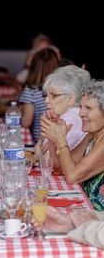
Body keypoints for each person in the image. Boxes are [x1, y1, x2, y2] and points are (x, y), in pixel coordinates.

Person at [41, 80, 104, 211]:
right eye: (81, 107)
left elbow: (72, 176)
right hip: (86, 210)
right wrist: (53, 138)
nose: (81, 113)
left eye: (88, 108)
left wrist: (61, 140)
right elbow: (60, 168)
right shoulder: (92, 135)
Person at [40, 65, 90, 172]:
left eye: (53, 95)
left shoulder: (71, 118)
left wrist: (46, 145)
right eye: (46, 95)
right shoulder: (67, 116)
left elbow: (49, 161)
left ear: (71, 99)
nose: (46, 101)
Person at [18, 47, 59, 143]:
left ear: (34, 67)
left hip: (40, 141)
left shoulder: (31, 90)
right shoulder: (59, 91)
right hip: (58, 138)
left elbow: (26, 122)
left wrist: (15, 116)